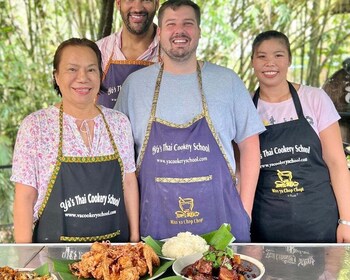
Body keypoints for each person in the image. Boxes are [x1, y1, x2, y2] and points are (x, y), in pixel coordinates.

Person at [115, 0, 265, 241]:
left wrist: (244, 212)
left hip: (222, 231)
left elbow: (250, 146)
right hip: (154, 233)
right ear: (160, 32)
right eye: (171, 24)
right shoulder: (135, 86)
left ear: (199, 31)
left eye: (188, 23)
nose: (179, 31)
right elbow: (120, 160)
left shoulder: (227, 81)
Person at [11, 38, 139, 243]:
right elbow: (25, 198)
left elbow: (129, 182)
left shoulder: (119, 123)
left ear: (101, 75)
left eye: (91, 70)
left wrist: (134, 240)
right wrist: (26, 259)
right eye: (72, 69)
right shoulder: (35, 126)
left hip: (116, 257)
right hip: (54, 258)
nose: (82, 78)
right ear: (56, 76)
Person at [250, 30, 350, 243]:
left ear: (289, 60)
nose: (270, 63)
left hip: (318, 221)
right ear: (252, 62)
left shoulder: (314, 98)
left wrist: (346, 221)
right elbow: (241, 170)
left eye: (278, 55)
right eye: (262, 56)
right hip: (265, 224)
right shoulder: (246, 105)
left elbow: (337, 162)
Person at [96, 0, 160, 108]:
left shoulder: (171, 53)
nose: (137, 8)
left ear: (157, 3)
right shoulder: (99, 51)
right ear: (118, 3)